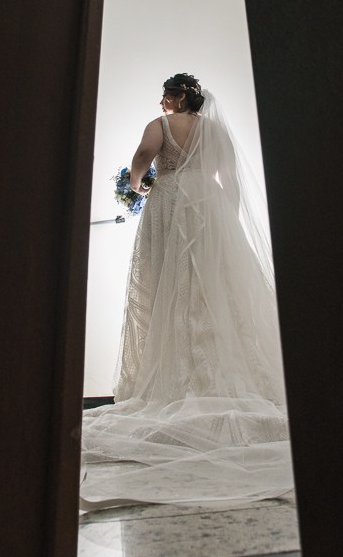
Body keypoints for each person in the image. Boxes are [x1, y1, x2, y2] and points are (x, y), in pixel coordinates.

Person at [80, 73, 293, 508]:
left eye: (165, 95)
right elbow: (228, 174)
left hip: (172, 199)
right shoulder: (214, 128)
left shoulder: (160, 125)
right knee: (214, 288)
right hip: (208, 204)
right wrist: (224, 218)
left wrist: (136, 181)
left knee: (169, 280)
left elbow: (143, 155)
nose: (161, 102)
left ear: (178, 97)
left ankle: (175, 377)